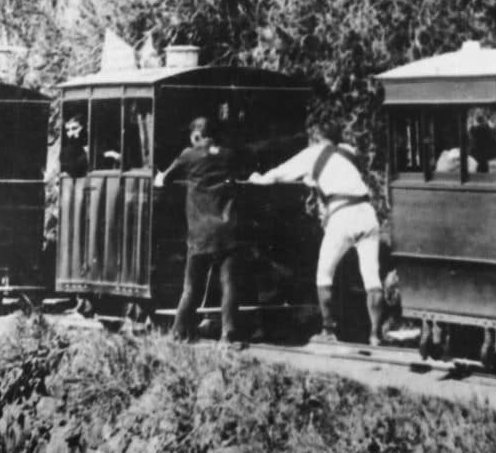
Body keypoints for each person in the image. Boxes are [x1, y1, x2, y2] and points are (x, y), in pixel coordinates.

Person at [248, 121, 386, 346]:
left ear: (316, 136)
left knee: (324, 274)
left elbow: (278, 174)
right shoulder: (349, 152)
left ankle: (328, 330)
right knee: (372, 277)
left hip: (342, 215)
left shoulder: (312, 154)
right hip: (368, 213)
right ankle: (375, 335)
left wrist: (258, 178)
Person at [154, 115, 247, 345]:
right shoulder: (228, 154)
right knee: (229, 284)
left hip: (200, 232)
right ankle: (228, 334)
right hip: (227, 230)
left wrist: (160, 177)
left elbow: (163, 180)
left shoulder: (189, 154)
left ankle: (178, 331)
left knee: (191, 286)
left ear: (196, 135)